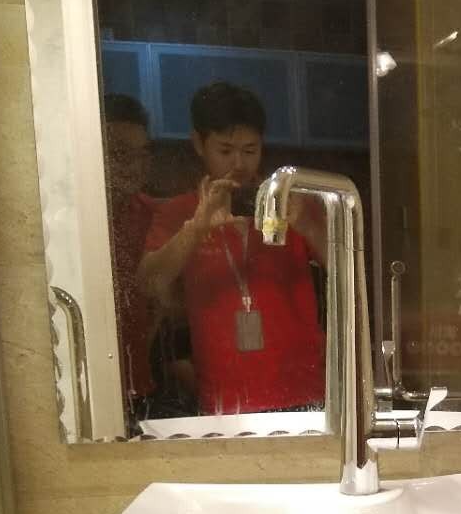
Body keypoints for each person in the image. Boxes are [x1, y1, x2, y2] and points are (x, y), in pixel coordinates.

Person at [137, 81, 327, 415]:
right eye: (225, 151)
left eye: (250, 150)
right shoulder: (181, 212)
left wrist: (309, 226)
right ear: (199, 144)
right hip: (226, 397)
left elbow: (348, 275)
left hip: (304, 390)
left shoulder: (291, 204)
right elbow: (148, 284)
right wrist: (196, 229)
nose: (239, 163)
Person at [102, 92, 162, 423]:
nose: (136, 166)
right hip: (96, 379)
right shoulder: (79, 223)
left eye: (143, 154)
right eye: (121, 154)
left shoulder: (153, 215)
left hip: (143, 379)